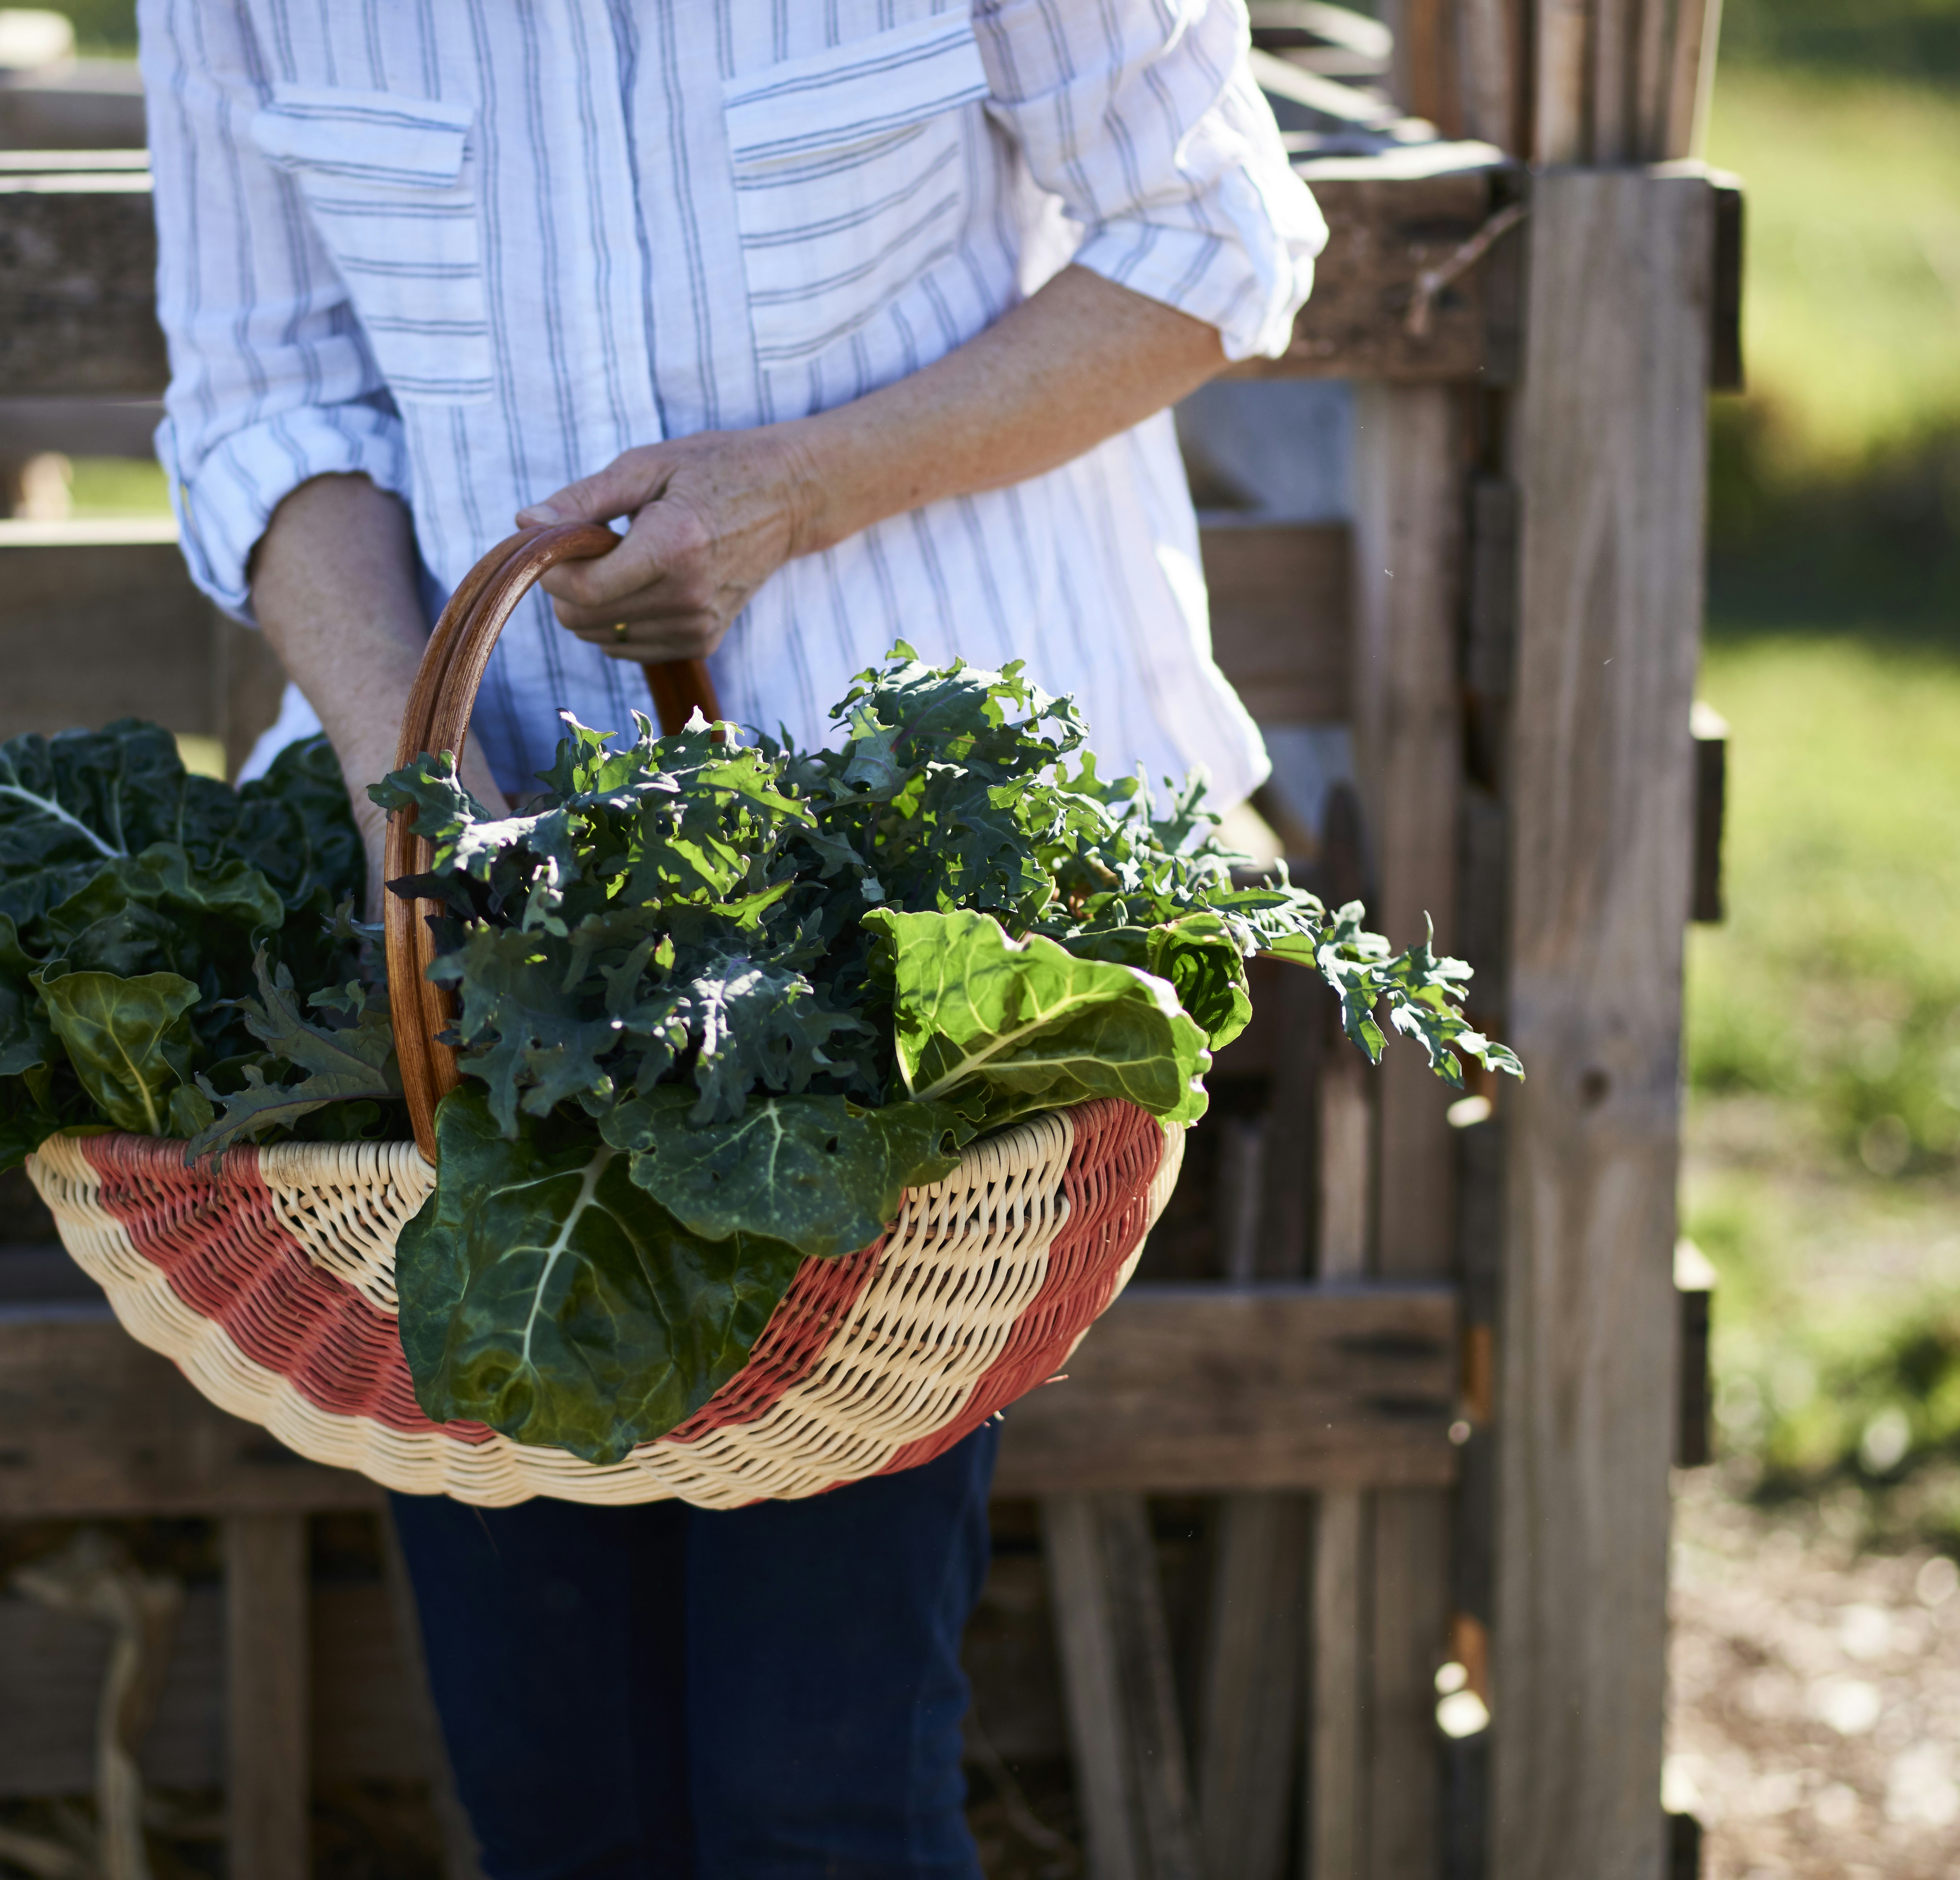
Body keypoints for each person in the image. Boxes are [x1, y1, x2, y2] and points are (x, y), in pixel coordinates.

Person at [142, 3, 1324, 1873]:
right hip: (475, 944)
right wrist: (421, 810)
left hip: (915, 938)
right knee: (552, 1792)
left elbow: (1209, 238)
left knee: (815, 1784)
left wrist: (802, 486)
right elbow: (264, 401)